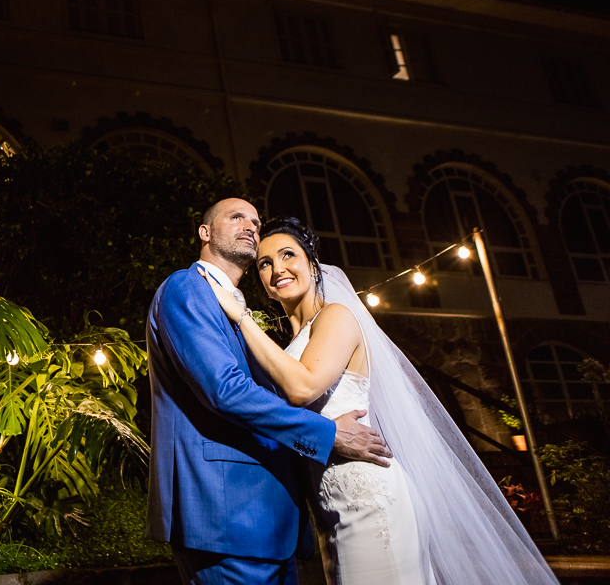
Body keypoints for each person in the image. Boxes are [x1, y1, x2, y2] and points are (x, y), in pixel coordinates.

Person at [200, 215, 559, 585]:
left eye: (288, 255)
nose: (278, 269)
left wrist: (241, 317)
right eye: (265, 262)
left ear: (312, 262)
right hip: (327, 504)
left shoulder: (336, 317)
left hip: (368, 499)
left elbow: (302, 388)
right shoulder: (288, 345)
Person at [146, 198, 392, 585]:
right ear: (205, 233)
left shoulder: (237, 310)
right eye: (236, 217)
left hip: (270, 521)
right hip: (226, 516)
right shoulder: (187, 287)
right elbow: (225, 390)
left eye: (256, 221)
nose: (250, 225)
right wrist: (327, 433)